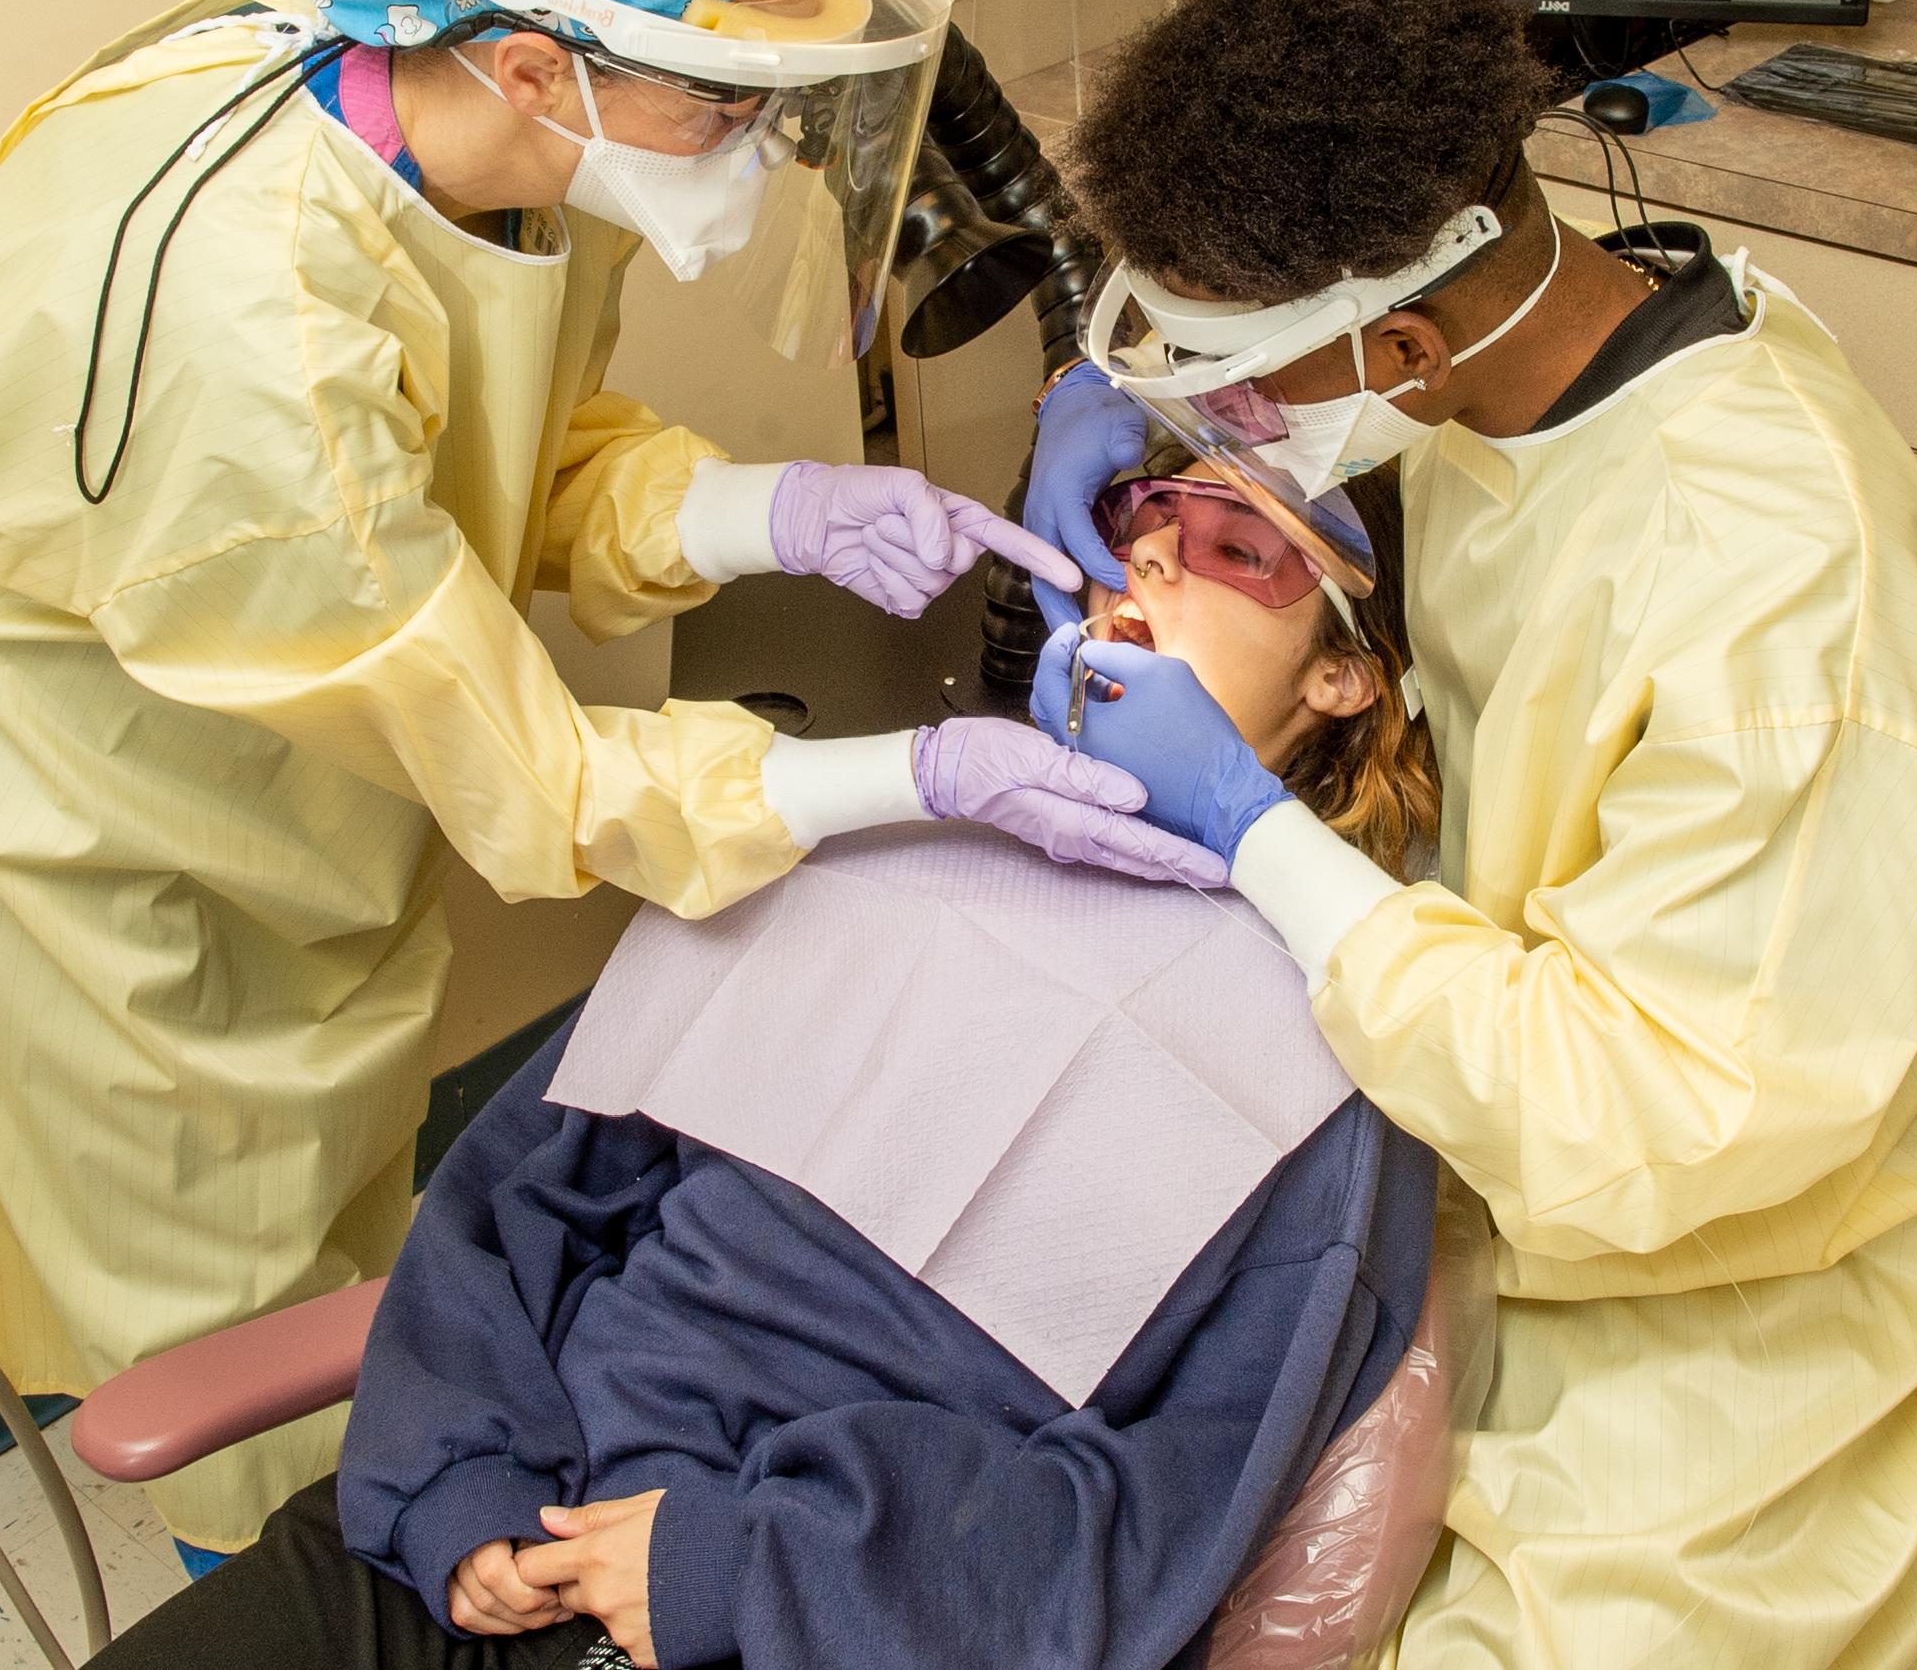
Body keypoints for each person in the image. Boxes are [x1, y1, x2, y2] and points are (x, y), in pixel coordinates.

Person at [0, 0, 1206, 1560]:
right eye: (732, 111)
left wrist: (776, 511)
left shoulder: (452, 108)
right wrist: (905, 776)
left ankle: (365, 1459)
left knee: (338, 1172)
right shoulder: (251, 324)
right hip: (79, 800)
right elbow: (533, 765)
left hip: (273, 687)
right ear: (539, 67)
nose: (760, 154)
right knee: (209, 1244)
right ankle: (289, 1554)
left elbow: (486, 452)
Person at [1022, 0, 1917, 1667]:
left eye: (1240, 392)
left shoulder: (1774, 586)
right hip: (1483, 1171)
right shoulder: (1549, 336)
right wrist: (1117, 398)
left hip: (1737, 1328)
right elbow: (1377, 465)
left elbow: (1660, 1117)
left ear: (1408, 347)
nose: (1212, 436)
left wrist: (1254, 823)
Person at [86, 468, 1443, 1670]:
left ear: (1345, 674)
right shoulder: (876, 828)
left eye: (1234, 548)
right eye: (1140, 514)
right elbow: (517, 1199)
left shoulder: (1331, 1058)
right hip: (485, 1531)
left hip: (815, 1609)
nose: (1150, 559)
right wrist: (455, 1482)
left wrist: (738, 1567)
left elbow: (1150, 1522)